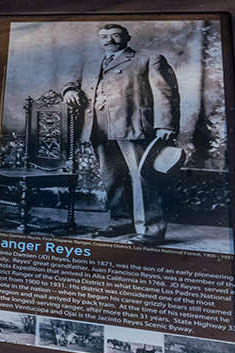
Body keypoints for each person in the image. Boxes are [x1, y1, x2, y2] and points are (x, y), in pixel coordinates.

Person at [64, 24, 181, 245]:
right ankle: (121, 222)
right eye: (104, 36)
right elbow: (74, 81)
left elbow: (165, 92)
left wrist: (165, 124)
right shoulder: (92, 62)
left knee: (143, 177)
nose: (109, 40)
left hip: (133, 125)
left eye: (116, 35)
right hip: (98, 127)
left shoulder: (149, 59)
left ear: (127, 37)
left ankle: (151, 231)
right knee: (112, 177)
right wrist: (69, 90)